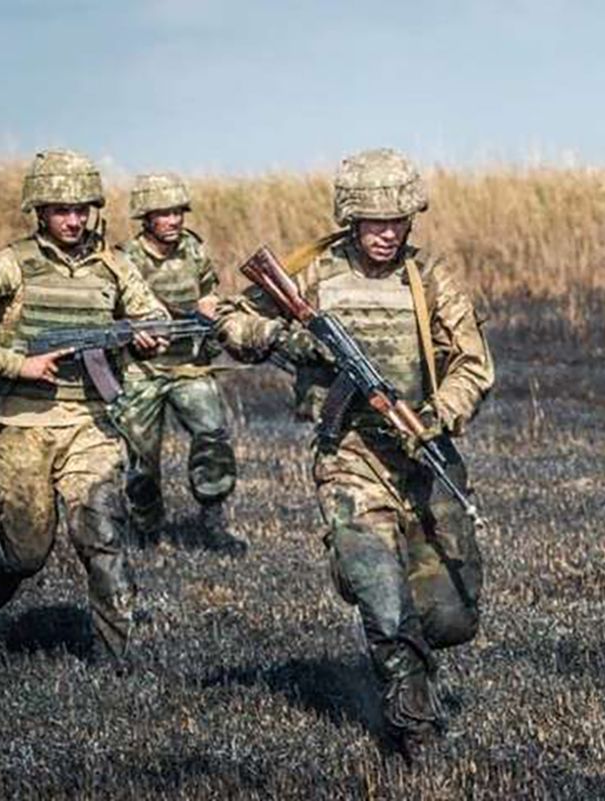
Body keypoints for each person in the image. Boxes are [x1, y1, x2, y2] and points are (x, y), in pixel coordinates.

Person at [216, 148, 493, 751]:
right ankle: (415, 727)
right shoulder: (314, 272)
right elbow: (231, 320)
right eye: (375, 222)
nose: (387, 233)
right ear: (351, 218)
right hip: (348, 456)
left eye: (397, 221)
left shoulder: (429, 278)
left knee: (451, 616)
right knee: (382, 596)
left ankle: (411, 653)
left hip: (423, 455)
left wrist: (434, 416)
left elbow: (473, 365)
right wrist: (282, 337)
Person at [0, 149, 168, 665]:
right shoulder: (12, 264)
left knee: (103, 534)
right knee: (29, 550)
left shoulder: (114, 265)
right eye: (62, 210)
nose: (74, 221)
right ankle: (8, 571)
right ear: (39, 211)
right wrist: (18, 365)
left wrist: (149, 337)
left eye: (82, 210)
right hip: (24, 424)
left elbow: (152, 316)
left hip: (91, 424)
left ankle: (114, 662)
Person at [117, 173, 239, 548]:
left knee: (213, 433)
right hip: (142, 370)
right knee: (140, 458)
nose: (173, 220)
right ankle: (146, 528)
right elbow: (112, 312)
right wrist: (133, 330)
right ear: (146, 217)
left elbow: (209, 290)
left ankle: (212, 514)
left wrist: (210, 304)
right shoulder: (125, 259)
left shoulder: (193, 250)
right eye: (164, 214)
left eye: (178, 212)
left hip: (189, 365)